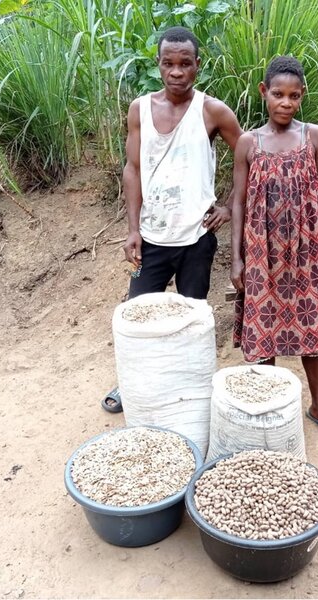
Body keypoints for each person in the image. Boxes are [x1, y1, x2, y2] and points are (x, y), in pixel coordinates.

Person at [102, 26, 243, 413]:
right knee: (139, 314)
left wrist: (229, 205)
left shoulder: (212, 110)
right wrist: (132, 229)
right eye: (169, 63)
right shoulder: (140, 109)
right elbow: (132, 169)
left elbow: (249, 158)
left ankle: (186, 389)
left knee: (190, 318)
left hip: (196, 238)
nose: (176, 71)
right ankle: (132, 384)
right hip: (150, 236)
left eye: (185, 64)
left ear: (198, 66)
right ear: (158, 65)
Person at [230, 56, 318, 444]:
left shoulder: (313, 137)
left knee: (309, 329)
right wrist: (237, 258)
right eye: (278, 94)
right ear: (264, 93)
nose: (286, 102)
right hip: (262, 254)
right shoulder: (250, 142)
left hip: (307, 251)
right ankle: (271, 410)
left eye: (294, 96)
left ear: (302, 97)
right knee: (266, 334)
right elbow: (239, 203)